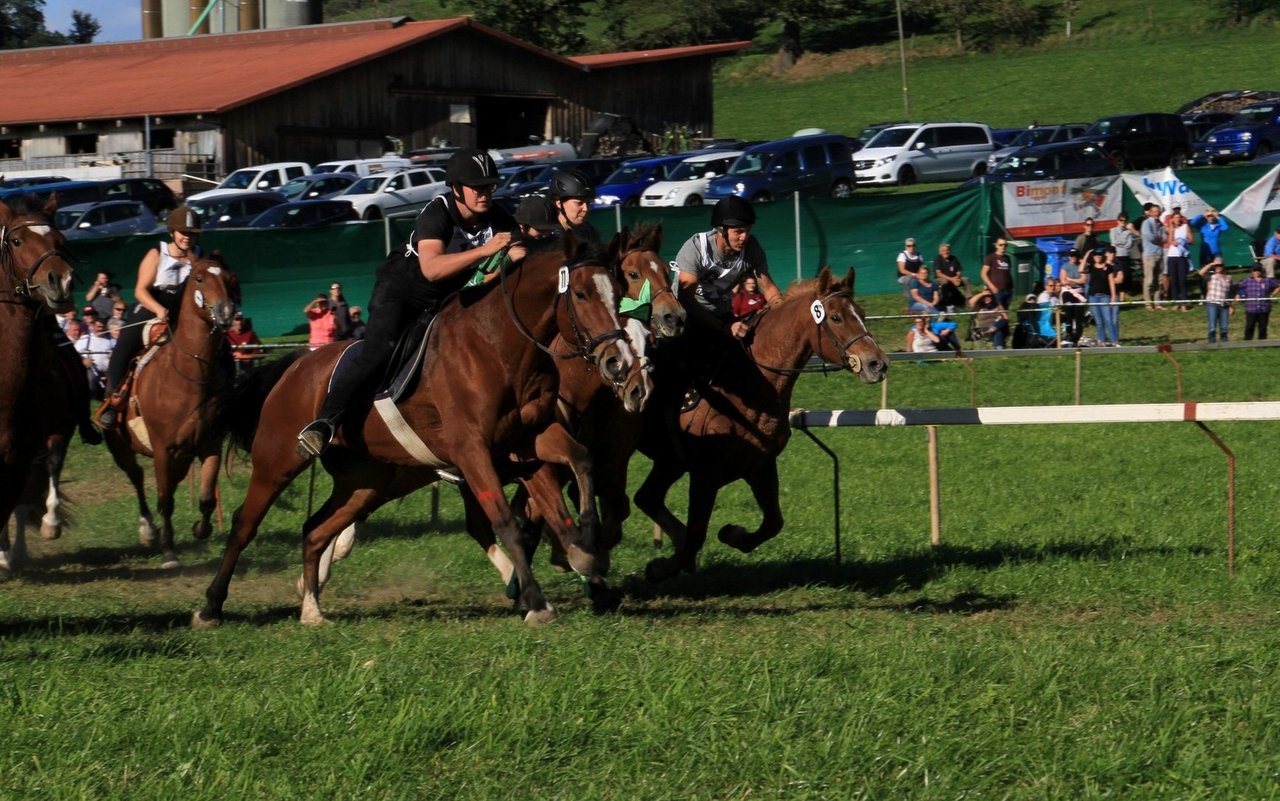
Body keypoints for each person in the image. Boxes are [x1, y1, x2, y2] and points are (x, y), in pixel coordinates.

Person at [296, 148, 522, 457]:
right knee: (378, 352)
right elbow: (431, 270)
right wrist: (486, 252)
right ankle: (325, 422)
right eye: (478, 187)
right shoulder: (438, 212)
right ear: (456, 189)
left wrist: (509, 260)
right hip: (401, 291)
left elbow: (521, 250)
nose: (486, 193)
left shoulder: (497, 216)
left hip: (446, 297)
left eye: (490, 186)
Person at [100, 207, 203, 427]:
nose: (187, 237)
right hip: (152, 307)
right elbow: (140, 291)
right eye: (183, 232)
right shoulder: (157, 253)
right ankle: (111, 401)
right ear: (172, 232)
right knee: (123, 346)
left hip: (186, 314)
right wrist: (158, 309)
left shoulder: (200, 256)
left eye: (192, 233)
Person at [674, 196, 780, 340]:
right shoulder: (696, 248)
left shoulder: (751, 248)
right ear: (721, 231)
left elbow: (769, 289)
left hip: (721, 314)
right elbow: (686, 299)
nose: (744, 237)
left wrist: (783, 312)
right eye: (738, 232)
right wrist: (723, 328)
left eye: (748, 231)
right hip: (686, 315)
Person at [547, 168, 601, 247]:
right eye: (579, 203)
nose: (585, 209)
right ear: (559, 203)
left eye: (588, 203)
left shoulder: (589, 233)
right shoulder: (548, 238)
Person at [1084, 249, 1120, 346]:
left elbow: (1111, 282)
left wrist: (1113, 297)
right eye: (1096, 255)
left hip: (1105, 296)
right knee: (1099, 321)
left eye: (1099, 255)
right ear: (1093, 257)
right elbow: (1081, 269)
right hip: (1093, 297)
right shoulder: (1091, 267)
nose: (1098, 256)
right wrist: (1087, 254)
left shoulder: (1108, 267)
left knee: (1108, 320)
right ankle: (1101, 340)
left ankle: (1114, 341)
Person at [1235, 264, 1280, 340]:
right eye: (1255, 270)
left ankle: (1262, 344)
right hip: (1251, 308)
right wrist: (1238, 294)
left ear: (1261, 271)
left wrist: (1273, 294)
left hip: (1264, 308)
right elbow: (1238, 287)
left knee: (1263, 327)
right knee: (1249, 326)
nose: (1257, 272)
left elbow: (1278, 285)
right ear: (1252, 271)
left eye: (1258, 270)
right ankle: (1247, 343)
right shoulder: (1247, 280)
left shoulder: (1267, 281)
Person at [73, 317, 114, 398]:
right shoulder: (85, 339)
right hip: (90, 370)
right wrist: (84, 361)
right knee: (90, 377)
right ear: (93, 327)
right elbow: (75, 354)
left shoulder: (109, 341)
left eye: (101, 327)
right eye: (97, 327)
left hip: (105, 372)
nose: (99, 329)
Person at [1164, 211, 1193, 312]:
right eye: (1175, 217)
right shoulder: (1171, 228)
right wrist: (1174, 240)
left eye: (1178, 217)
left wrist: (1185, 241)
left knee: (1182, 280)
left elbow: (1192, 240)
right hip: (1172, 257)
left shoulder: (1185, 227)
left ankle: (1184, 303)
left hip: (1182, 257)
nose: (1177, 219)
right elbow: (1170, 241)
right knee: (1174, 280)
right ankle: (1176, 302)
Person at [1199, 257, 1233, 343]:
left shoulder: (1229, 277)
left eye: (1220, 265)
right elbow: (1201, 272)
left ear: (1223, 266)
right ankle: (1212, 343)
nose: (1218, 267)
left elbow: (1229, 293)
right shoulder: (1211, 276)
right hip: (1212, 303)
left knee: (1224, 327)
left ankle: (1225, 344)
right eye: (1216, 265)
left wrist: (1231, 305)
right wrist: (1211, 264)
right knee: (1212, 326)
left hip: (1224, 304)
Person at [1140, 202, 1166, 310]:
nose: (1156, 213)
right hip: (1149, 255)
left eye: (1158, 211)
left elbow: (1164, 238)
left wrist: (1159, 238)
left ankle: (1157, 303)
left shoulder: (1160, 224)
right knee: (1149, 280)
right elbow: (1149, 236)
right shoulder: (1146, 223)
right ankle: (1148, 303)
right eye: (1154, 211)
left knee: (1158, 281)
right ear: (1150, 213)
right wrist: (1159, 238)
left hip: (1159, 254)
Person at [226, 313, 264, 379]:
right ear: (232, 321)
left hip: (246, 370)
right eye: (237, 320)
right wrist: (233, 355)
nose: (239, 322)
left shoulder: (250, 334)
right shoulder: (226, 335)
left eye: (241, 320)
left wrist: (244, 357)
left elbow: (259, 351)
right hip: (229, 370)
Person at [933, 242, 968, 311]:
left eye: (947, 250)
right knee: (944, 281)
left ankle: (969, 300)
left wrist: (957, 277)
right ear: (940, 252)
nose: (946, 252)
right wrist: (952, 279)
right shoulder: (938, 258)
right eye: (943, 250)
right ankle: (947, 304)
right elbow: (938, 274)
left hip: (954, 278)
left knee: (966, 280)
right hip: (942, 279)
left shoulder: (954, 258)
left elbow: (959, 271)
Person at [979, 237, 1013, 310]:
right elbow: (983, 274)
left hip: (1007, 291)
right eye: (1000, 245)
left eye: (1005, 245)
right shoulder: (990, 258)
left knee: (1005, 312)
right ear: (996, 246)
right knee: (998, 313)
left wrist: (1011, 289)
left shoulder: (1008, 258)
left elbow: (1008, 274)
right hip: (996, 291)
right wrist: (992, 287)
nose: (1003, 247)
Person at [896, 237, 925, 302]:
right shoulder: (902, 255)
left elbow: (922, 268)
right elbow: (902, 270)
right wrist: (914, 275)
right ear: (905, 246)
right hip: (903, 277)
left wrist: (921, 275)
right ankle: (908, 296)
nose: (911, 247)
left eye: (913, 245)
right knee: (910, 279)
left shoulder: (919, 255)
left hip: (917, 276)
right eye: (909, 246)